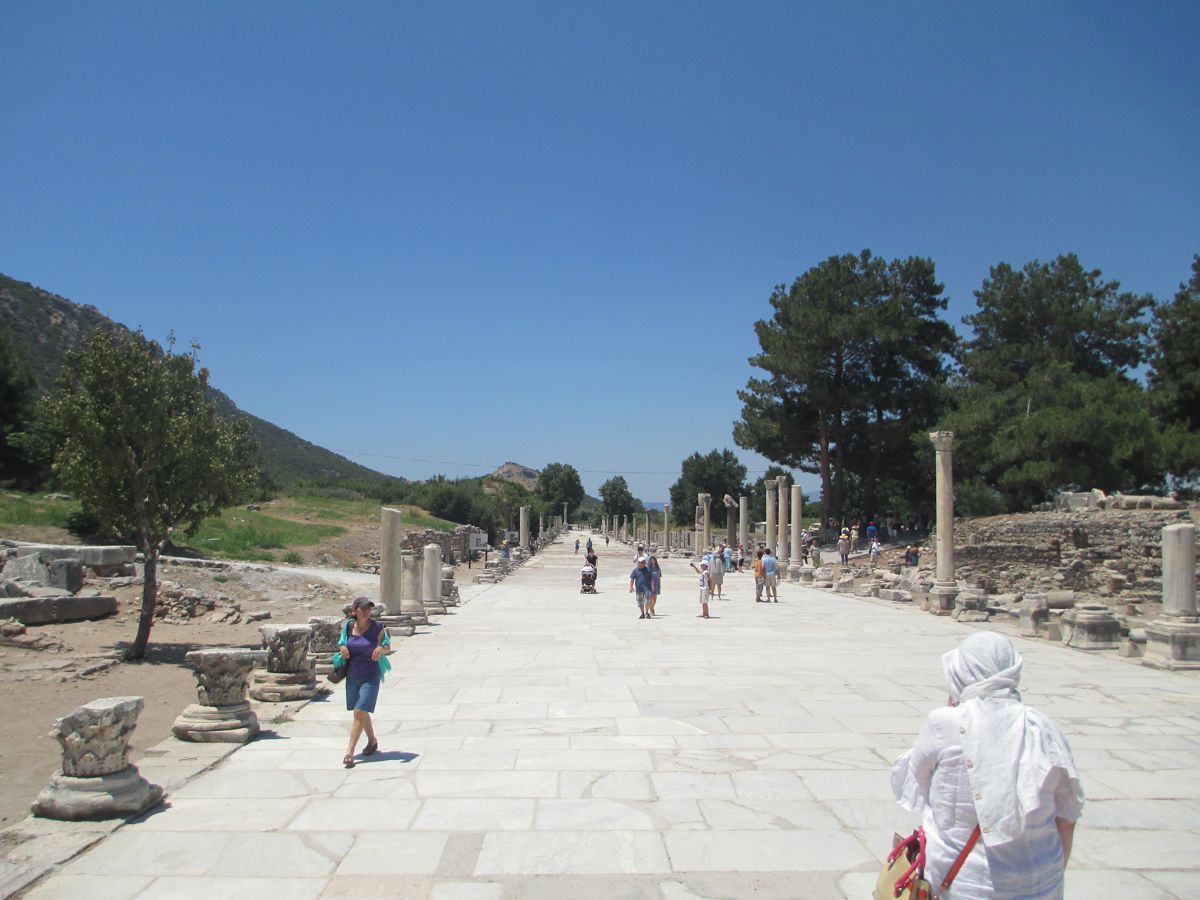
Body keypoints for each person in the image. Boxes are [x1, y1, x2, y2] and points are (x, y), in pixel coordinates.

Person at [891, 632, 1083, 898]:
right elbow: (1067, 818)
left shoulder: (943, 724)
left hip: (960, 885)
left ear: (960, 672)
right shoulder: (1044, 730)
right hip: (1040, 884)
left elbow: (917, 783)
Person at [338, 597, 391, 768]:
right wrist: (343, 648)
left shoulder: (378, 628)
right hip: (353, 675)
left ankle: (349, 752)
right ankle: (372, 741)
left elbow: (387, 646)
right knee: (361, 711)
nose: (367, 611)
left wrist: (380, 649)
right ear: (355, 610)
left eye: (369, 608)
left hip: (370, 675)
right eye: (363, 608)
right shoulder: (348, 626)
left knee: (359, 711)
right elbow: (341, 642)